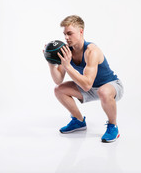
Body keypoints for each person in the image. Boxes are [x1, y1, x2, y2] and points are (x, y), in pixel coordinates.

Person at [44, 15, 124, 143]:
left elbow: (86, 85)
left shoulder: (92, 51)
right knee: (59, 89)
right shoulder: (67, 50)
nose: (66, 38)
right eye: (64, 34)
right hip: (90, 86)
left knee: (103, 91)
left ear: (81, 31)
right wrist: (50, 62)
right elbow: (58, 80)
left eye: (70, 33)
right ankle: (78, 121)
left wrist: (68, 66)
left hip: (110, 85)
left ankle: (113, 126)